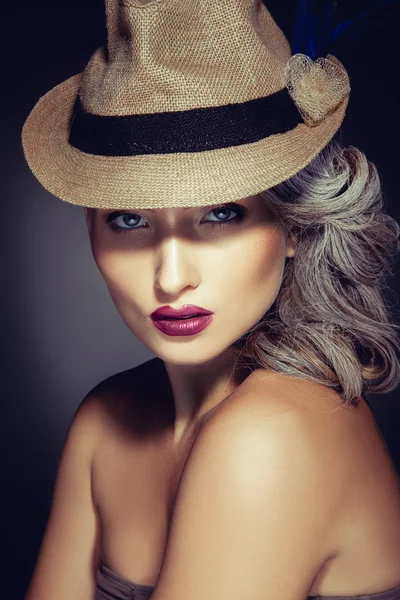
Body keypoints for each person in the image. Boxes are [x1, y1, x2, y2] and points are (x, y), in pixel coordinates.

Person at [21, 1, 400, 599]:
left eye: (220, 214)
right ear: (89, 228)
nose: (171, 277)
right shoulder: (102, 425)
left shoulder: (272, 437)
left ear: (295, 226)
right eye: (128, 218)